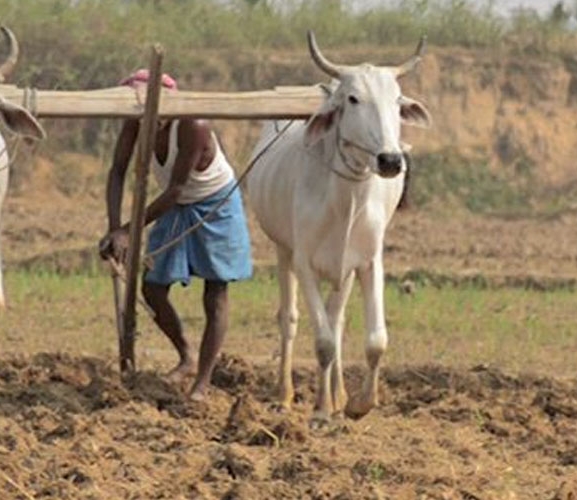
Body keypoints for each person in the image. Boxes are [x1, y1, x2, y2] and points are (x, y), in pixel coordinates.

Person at [99, 69, 252, 400]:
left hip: (215, 204)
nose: (145, 116)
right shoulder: (134, 122)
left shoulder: (193, 126)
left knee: (216, 292)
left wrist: (129, 229)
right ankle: (186, 356)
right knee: (152, 289)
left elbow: (176, 189)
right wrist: (115, 229)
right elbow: (117, 171)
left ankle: (202, 383)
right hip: (175, 205)